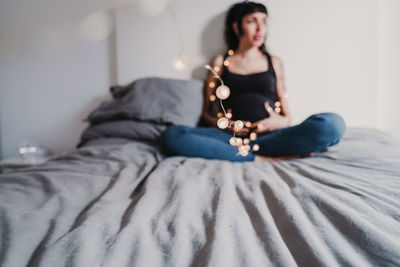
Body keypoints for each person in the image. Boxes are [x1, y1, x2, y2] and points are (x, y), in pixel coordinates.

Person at [160, 1, 345, 162]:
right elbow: (206, 115)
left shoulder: (274, 62)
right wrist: (225, 124)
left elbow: (287, 117)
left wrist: (275, 123)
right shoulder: (220, 62)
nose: (260, 28)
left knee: (332, 124)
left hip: (271, 137)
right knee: (172, 136)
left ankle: (245, 154)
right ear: (236, 27)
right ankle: (258, 158)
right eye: (252, 21)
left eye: (264, 22)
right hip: (230, 139)